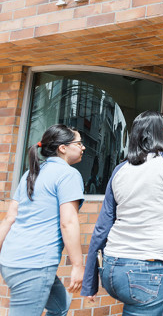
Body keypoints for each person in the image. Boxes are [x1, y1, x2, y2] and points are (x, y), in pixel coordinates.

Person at [81, 111, 163, 315]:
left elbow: (102, 228)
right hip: (148, 271)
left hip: (112, 268)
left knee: (161, 307)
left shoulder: (120, 169)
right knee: (149, 299)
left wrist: (90, 281)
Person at [0, 124, 86, 316]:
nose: (83, 147)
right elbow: (68, 222)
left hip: (11, 259)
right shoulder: (68, 174)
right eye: (79, 143)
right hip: (33, 265)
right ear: (62, 148)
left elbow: (9, 218)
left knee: (60, 305)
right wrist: (78, 266)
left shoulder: (31, 173)